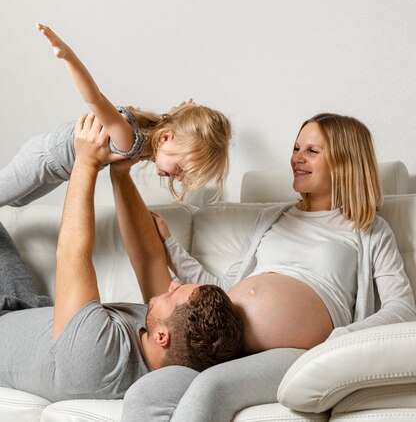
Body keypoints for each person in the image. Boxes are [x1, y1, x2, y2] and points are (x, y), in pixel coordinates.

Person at [120, 112, 416, 422]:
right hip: (222, 347)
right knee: (146, 394)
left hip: (292, 354)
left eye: (312, 151)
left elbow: (402, 307)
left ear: (347, 162)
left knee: (211, 388)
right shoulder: (273, 218)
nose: (296, 159)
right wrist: (171, 245)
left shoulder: (369, 229)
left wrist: (341, 337)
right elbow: (222, 286)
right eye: (296, 148)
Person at [0, 113, 243, 401]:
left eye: (175, 295)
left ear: (163, 337)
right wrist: (122, 173)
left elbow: (72, 254)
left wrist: (86, 162)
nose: (173, 284)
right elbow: (149, 259)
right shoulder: (169, 338)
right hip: (24, 306)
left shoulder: (97, 358)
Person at [0, 24, 231, 207]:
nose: (179, 178)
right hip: (42, 159)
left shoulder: (157, 138)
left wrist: (177, 112)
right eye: (180, 168)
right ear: (165, 138)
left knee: (17, 202)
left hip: (57, 172)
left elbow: (168, 123)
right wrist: (67, 55)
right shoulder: (130, 140)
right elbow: (95, 100)